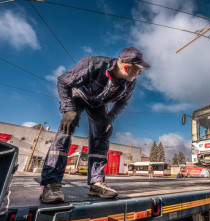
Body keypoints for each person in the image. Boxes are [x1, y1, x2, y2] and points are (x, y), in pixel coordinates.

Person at [40, 47, 150, 203]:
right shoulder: (92, 64)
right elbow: (63, 81)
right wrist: (68, 110)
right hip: (78, 95)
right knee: (65, 131)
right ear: (126, 67)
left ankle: (96, 183)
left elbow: (122, 103)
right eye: (138, 69)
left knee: (102, 135)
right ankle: (51, 184)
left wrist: (109, 119)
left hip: (98, 103)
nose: (140, 73)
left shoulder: (130, 83)